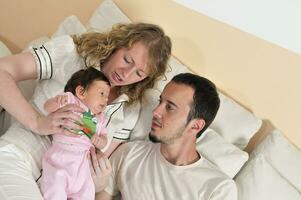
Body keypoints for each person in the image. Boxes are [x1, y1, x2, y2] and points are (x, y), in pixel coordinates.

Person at [0, 22, 171, 199]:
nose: (126, 74)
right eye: (127, 60)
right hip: (18, 159)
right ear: (117, 44)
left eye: (139, 73)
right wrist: (36, 121)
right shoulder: (70, 54)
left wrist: (99, 182)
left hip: (69, 189)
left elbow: (97, 157)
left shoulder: (129, 110)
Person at [93, 73, 238, 200]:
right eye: (160, 102)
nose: (156, 111)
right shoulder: (129, 153)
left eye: (170, 107)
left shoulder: (218, 188)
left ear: (195, 126)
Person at [41, 67, 110, 200]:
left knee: (87, 192)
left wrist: (99, 141)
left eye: (107, 96)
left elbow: (104, 140)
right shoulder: (71, 100)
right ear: (81, 92)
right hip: (61, 159)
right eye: (102, 93)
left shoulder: (100, 119)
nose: (106, 100)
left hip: (83, 166)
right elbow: (46, 108)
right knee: (55, 186)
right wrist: (56, 101)